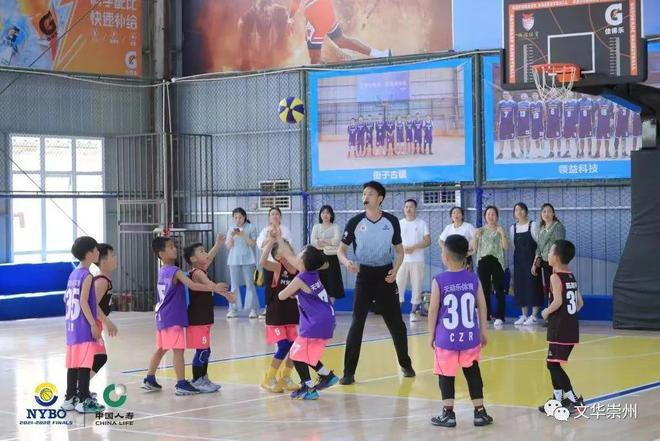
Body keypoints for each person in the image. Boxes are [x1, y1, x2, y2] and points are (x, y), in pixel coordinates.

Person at [337, 181, 415, 385]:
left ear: (380, 198)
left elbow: (399, 251)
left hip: (385, 276)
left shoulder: (391, 221)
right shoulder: (355, 222)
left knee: (396, 324)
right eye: (364, 194)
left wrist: (395, 270)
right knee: (357, 324)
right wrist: (347, 262)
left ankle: (405, 364)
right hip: (364, 276)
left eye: (370, 194)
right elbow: (341, 250)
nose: (366, 197)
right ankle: (348, 372)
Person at [142, 236, 229, 395]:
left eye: (174, 246)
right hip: (172, 316)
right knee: (178, 351)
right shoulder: (175, 271)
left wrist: (217, 245)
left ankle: (149, 378)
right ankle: (181, 383)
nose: (174, 249)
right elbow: (193, 285)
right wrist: (215, 288)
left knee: (162, 348)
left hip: (161, 316)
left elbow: (205, 262)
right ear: (161, 253)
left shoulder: (163, 270)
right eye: (170, 247)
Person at [427, 235, 493, 428]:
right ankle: (480, 412)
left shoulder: (439, 280)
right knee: (473, 372)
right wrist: (483, 331)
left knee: (446, 375)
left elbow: (433, 310)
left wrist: (431, 335)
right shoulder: (473, 279)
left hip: (446, 338)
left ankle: (448, 413)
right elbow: (482, 306)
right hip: (470, 337)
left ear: (446, 256)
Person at [277, 244, 339, 400]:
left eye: (300, 255)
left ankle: (308, 388)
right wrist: (279, 241)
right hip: (327, 318)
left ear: (304, 263)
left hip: (316, 322)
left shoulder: (301, 278)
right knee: (307, 353)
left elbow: (281, 296)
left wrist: (291, 289)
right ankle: (327, 376)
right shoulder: (313, 272)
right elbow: (291, 257)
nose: (297, 256)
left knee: (295, 354)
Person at [538, 240, 585, 414]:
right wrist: (569, 316)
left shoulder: (555, 277)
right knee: (552, 363)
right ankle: (557, 400)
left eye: (550, 252)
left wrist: (546, 312)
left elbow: (557, 301)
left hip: (559, 328)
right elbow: (580, 303)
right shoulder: (570, 276)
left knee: (552, 365)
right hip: (571, 328)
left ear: (557, 257)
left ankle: (574, 399)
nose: (548, 255)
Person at [183, 239, 235, 393]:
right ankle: (197, 380)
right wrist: (223, 292)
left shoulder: (202, 269)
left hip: (204, 318)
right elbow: (209, 284)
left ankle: (203, 378)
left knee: (206, 350)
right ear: (193, 259)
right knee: (202, 350)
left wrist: (218, 245)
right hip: (197, 319)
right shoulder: (198, 273)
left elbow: (209, 258)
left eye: (205, 250)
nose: (206, 254)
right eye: (201, 252)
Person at [61, 236, 105, 414]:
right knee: (85, 364)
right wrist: (93, 324)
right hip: (83, 326)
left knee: (73, 364)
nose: (98, 252)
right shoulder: (87, 276)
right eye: (96, 249)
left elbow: (66, 298)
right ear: (88, 254)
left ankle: (70, 398)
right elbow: (83, 302)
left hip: (72, 327)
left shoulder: (73, 274)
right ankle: (84, 400)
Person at [258, 231, 300, 393]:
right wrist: (271, 241)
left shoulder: (297, 269)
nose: (287, 250)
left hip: (291, 315)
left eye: (288, 248)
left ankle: (285, 377)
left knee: (294, 347)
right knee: (283, 346)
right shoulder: (277, 267)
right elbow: (262, 262)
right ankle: (269, 378)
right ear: (278, 256)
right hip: (276, 315)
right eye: (283, 249)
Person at [287, 0, 390, 65]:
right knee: (340, 40)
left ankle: (319, 85)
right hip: (324, 7)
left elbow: (296, 2)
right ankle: (379, 54)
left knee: (315, 58)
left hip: (316, 11)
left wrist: (290, 17)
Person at [473, 206, 509, 326]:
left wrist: (502, 234)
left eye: (493, 214)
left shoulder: (500, 229)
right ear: (485, 217)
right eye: (488, 214)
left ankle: (500, 316)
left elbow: (506, 247)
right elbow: (474, 248)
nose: (491, 216)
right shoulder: (480, 230)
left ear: (497, 216)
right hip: (483, 261)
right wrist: (475, 237)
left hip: (497, 261)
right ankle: (486, 315)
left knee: (499, 288)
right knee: (484, 289)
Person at [396, 199, 431, 322]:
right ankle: (396, 312)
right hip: (402, 260)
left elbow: (428, 241)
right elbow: (393, 241)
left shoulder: (421, 223)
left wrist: (413, 247)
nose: (408, 209)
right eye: (406, 207)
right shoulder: (399, 223)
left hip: (417, 260)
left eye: (411, 207)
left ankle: (413, 311)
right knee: (398, 285)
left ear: (415, 209)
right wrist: (402, 248)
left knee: (417, 285)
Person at [90, 244, 119, 387]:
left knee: (95, 358)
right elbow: (92, 305)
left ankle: (81, 388)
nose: (115, 258)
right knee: (100, 357)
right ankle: (79, 388)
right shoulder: (101, 281)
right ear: (103, 262)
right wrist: (107, 322)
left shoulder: (105, 279)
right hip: (91, 325)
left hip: (97, 324)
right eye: (112, 255)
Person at [509, 203, 543, 326]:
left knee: (533, 286)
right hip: (519, 262)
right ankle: (524, 315)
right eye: (516, 210)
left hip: (532, 261)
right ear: (514, 213)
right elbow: (514, 245)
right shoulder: (513, 228)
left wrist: (535, 262)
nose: (519, 212)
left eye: (522, 209)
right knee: (520, 286)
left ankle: (534, 316)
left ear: (526, 211)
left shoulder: (533, 225)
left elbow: (539, 244)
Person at [256, 207, 293, 317]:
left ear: (280, 216)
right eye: (272, 214)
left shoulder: (285, 230)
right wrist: (270, 238)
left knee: (283, 285)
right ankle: (268, 307)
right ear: (269, 217)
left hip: (282, 263)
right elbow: (260, 244)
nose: (275, 216)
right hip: (269, 262)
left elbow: (289, 244)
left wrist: (279, 237)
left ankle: (283, 306)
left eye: (277, 214)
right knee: (269, 286)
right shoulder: (265, 230)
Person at [226, 207, 259, 318]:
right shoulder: (231, 229)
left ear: (244, 217)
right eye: (235, 218)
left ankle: (253, 309)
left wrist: (244, 235)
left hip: (248, 259)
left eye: (240, 217)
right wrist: (231, 236)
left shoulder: (251, 227)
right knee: (234, 285)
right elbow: (228, 246)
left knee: (250, 284)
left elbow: (253, 244)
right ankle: (233, 309)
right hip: (233, 259)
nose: (238, 220)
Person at [311, 205, 345, 303]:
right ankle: (320, 306)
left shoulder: (335, 226)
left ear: (331, 215)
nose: (325, 215)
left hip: (332, 259)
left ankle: (331, 307)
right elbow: (313, 242)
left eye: (327, 213)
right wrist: (329, 242)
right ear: (320, 215)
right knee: (320, 283)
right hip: (319, 259)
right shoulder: (316, 226)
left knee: (332, 284)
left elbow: (337, 241)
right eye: (323, 213)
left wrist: (322, 241)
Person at [533, 203, 566, 298]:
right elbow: (539, 247)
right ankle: (550, 304)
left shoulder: (558, 226)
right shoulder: (541, 228)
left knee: (557, 286)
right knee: (548, 286)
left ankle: (557, 305)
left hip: (555, 262)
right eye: (544, 212)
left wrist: (557, 263)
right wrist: (535, 264)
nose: (546, 214)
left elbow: (560, 245)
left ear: (553, 213)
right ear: (541, 214)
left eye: (549, 211)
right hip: (545, 261)